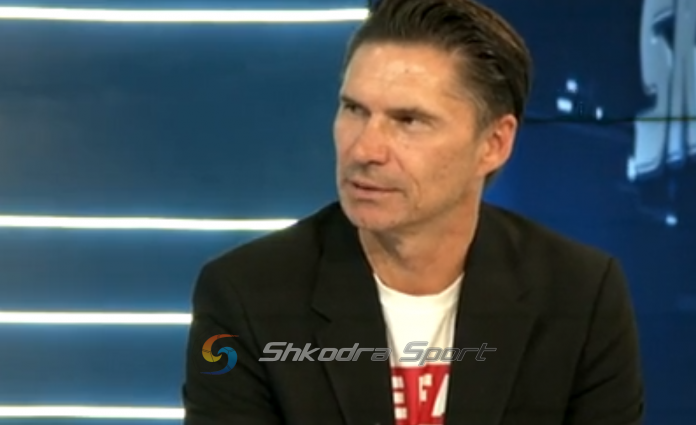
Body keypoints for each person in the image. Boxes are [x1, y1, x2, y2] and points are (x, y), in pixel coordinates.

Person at [181, 0, 644, 423]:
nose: (364, 149)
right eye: (354, 109)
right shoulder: (248, 296)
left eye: (408, 121)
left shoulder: (579, 296)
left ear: (494, 143)